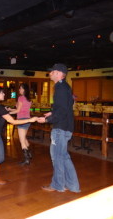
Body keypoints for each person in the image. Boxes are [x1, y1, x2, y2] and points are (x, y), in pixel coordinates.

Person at [37, 63, 80, 193]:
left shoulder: (61, 88)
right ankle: (73, 186)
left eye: (52, 71)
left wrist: (46, 119)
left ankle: (57, 185)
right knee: (64, 157)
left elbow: (62, 110)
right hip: (66, 126)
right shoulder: (65, 87)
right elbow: (65, 106)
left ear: (59, 73)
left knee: (57, 157)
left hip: (60, 128)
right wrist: (52, 113)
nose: (50, 73)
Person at [9, 83, 32, 165]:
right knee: (24, 138)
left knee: (22, 141)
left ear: (24, 89)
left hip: (21, 120)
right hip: (27, 120)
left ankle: (26, 159)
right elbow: (20, 109)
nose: (19, 90)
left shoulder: (21, 98)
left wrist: (8, 112)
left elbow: (18, 111)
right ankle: (29, 154)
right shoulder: (29, 99)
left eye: (20, 88)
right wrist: (10, 109)